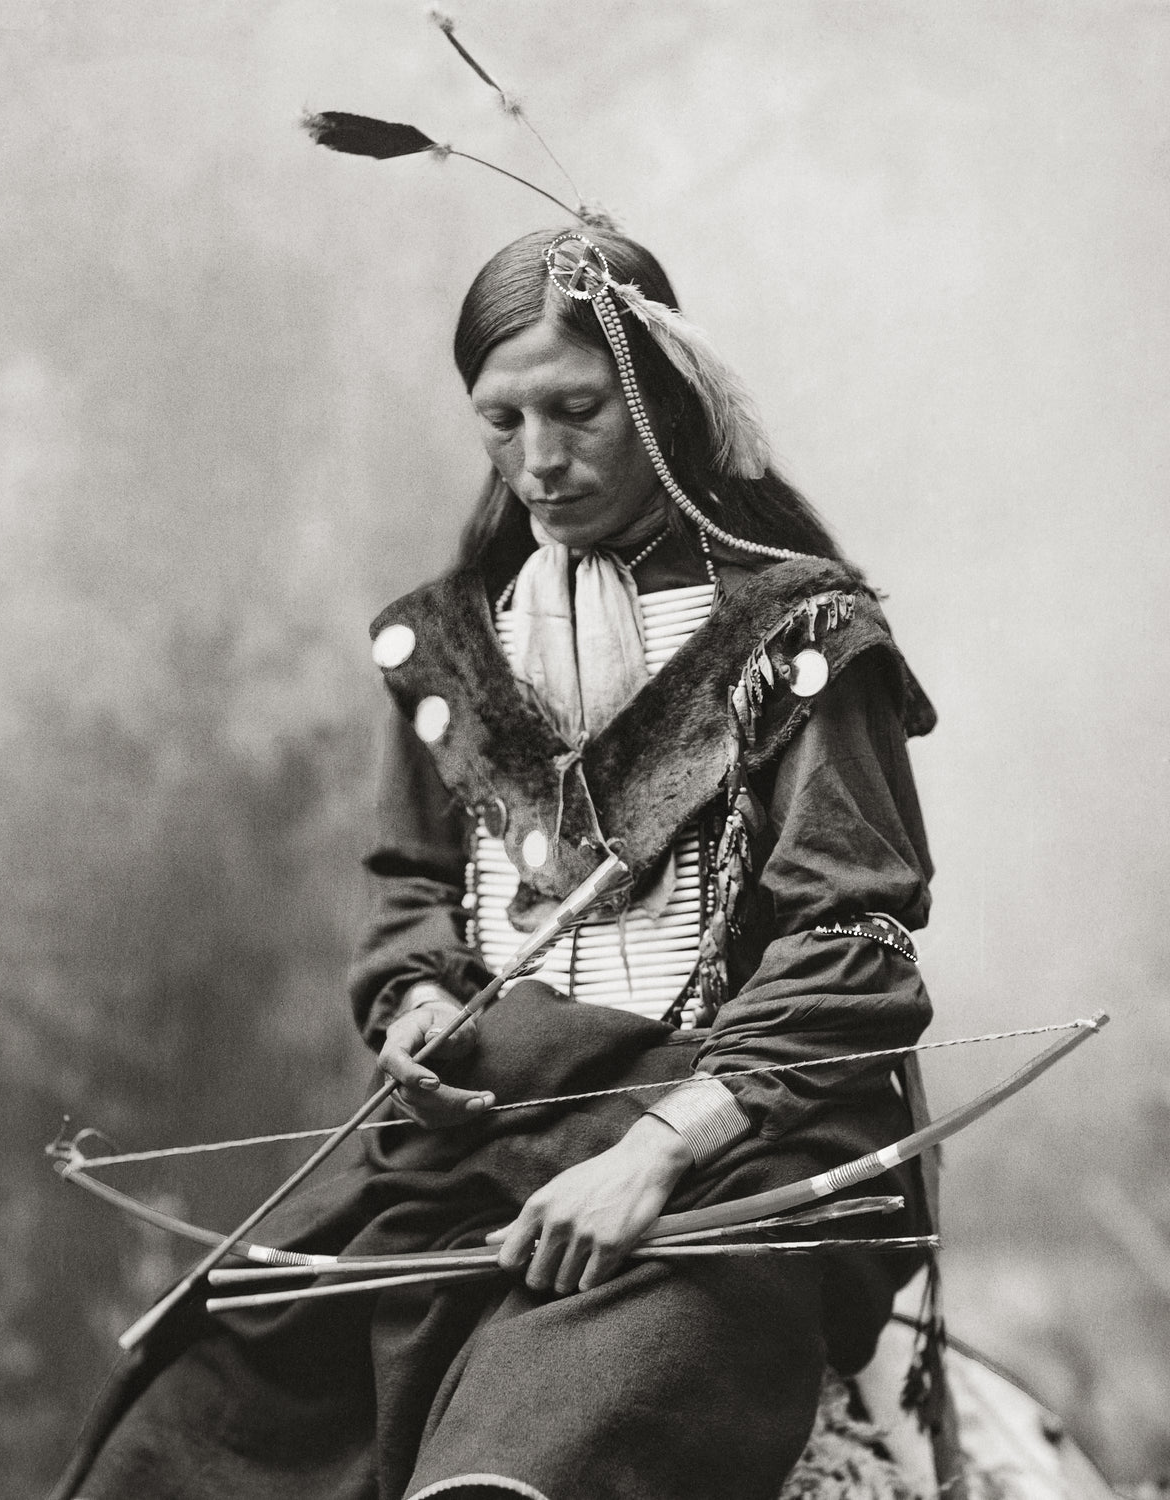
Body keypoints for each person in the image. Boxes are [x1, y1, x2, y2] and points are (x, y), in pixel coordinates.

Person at [52, 225, 938, 1500]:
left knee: (527, 1460)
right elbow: (411, 883)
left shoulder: (795, 638)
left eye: (578, 411)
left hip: (733, 1136)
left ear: (665, 400)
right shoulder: (450, 647)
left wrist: (651, 1156)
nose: (540, 461)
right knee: (191, 1426)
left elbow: (851, 941)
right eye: (502, 420)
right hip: (481, 1129)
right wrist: (418, 1001)